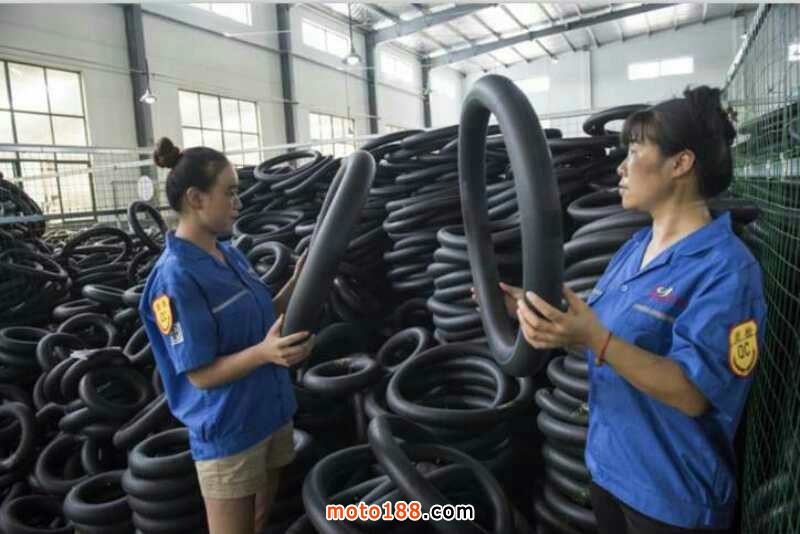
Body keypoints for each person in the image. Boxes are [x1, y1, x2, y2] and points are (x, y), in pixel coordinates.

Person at [502, 86, 766, 533]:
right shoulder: (634, 249)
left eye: (636, 152)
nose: (621, 167)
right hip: (610, 471)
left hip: (671, 498)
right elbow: (601, 332)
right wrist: (525, 309)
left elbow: (693, 392)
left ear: (681, 163)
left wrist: (595, 338)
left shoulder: (728, 270)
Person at [138, 137, 315, 534]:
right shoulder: (175, 277)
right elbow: (200, 375)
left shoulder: (228, 254)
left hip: (268, 413)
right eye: (230, 192)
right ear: (196, 198)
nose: (238, 202)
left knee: (258, 521)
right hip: (228, 430)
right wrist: (265, 354)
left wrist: (299, 281)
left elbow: (263, 318)